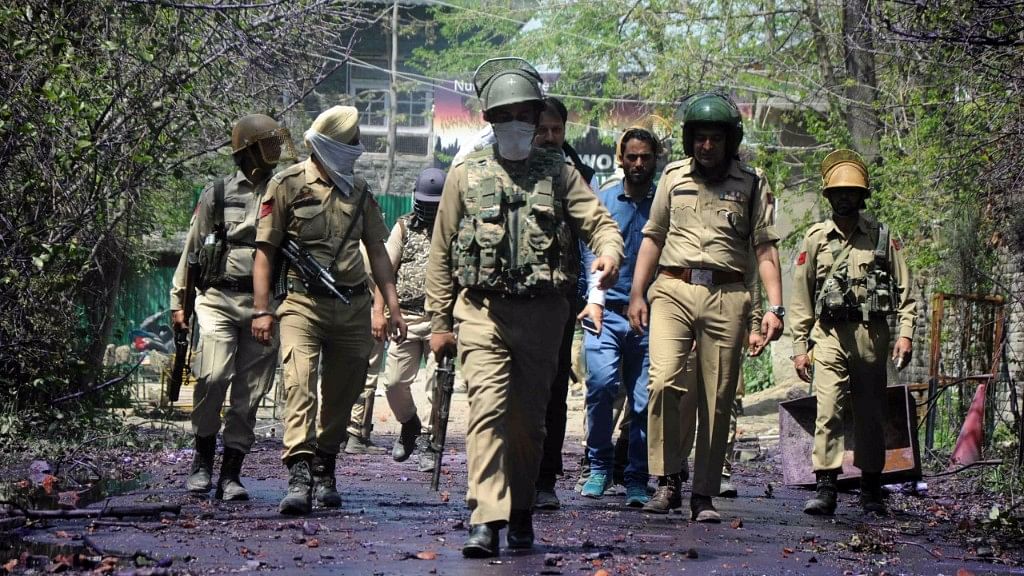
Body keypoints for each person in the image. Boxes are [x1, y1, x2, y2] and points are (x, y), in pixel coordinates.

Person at [426, 57, 623, 558]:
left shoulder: (559, 172)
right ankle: (486, 517)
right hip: (481, 311)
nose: (516, 122)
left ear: (536, 118)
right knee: (486, 412)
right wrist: (439, 322)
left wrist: (608, 253)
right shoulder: (465, 174)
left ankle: (520, 510)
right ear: (489, 118)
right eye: (505, 113)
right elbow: (442, 251)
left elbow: (599, 223)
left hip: (542, 315)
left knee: (527, 421)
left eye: (525, 113)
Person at [629, 92, 784, 523]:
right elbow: (653, 236)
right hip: (673, 288)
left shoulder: (751, 184)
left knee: (717, 398)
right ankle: (667, 480)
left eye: (715, 138)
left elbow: (766, 249)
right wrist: (638, 293)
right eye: (700, 138)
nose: (707, 146)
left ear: (729, 141)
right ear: (689, 140)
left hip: (727, 294)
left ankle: (704, 494)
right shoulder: (673, 177)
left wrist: (776, 308)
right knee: (662, 382)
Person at [251, 105, 407, 516]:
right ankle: (299, 473)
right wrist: (262, 310)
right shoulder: (286, 185)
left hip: (353, 306)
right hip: (302, 304)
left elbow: (377, 252)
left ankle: (326, 465)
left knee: (343, 391)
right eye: (352, 143)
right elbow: (265, 252)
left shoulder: (359, 191)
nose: (357, 149)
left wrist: (392, 308)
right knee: (299, 384)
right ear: (332, 145)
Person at [170, 113, 291, 501]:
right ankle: (202, 460)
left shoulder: (284, 190)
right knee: (213, 376)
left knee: (250, 392)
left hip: (266, 303)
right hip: (217, 299)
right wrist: (180, 303)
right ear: (248, 149)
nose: (275, 150)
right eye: (267, 143)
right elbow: (192, 251)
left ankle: (231, 473)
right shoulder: (218, 193)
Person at [791, 148, 915, 516]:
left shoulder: (880, 237)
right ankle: (826, 487)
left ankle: (870, 489)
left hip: (871, 335)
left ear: (862, 197)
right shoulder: (815, 239)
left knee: (870, 412)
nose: (845, 197)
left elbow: (906, 291)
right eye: (838, 192)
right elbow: (801, 296)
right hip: (829, 336)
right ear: (828, 196)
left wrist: (905, 333)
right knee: (827, 410)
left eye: (852, 192)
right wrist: (800, 346)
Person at [577, 125, 661, 507]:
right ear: (620, 160)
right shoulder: (604, 201)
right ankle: (598, 468)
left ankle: (637, 478)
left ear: (655, 159)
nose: (639, 163)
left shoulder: (665, 204)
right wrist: (593, 297)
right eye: (632, 157)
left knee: (645, 400)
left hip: (652, 318)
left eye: (645, 157)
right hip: (605, 313)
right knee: (599, 387)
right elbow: (587, 253)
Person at [532, 96, 595, 511]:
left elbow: (591, 236)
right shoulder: (504, 168)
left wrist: (592, 295)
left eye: (558, 130)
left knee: (553, 390)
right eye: (544, 130)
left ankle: (544, 478)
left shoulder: (576, 175)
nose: (552, 138)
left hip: (559, 299)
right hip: (510, 297)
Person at [382, 167, 446, 472]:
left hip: (441, 320)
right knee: (393, 382)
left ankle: (431, 443)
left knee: (438, 386)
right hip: (404, 318)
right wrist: (380, 312)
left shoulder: (455, 229)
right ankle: (410, 425)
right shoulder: (403, 228)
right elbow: (384, 272)